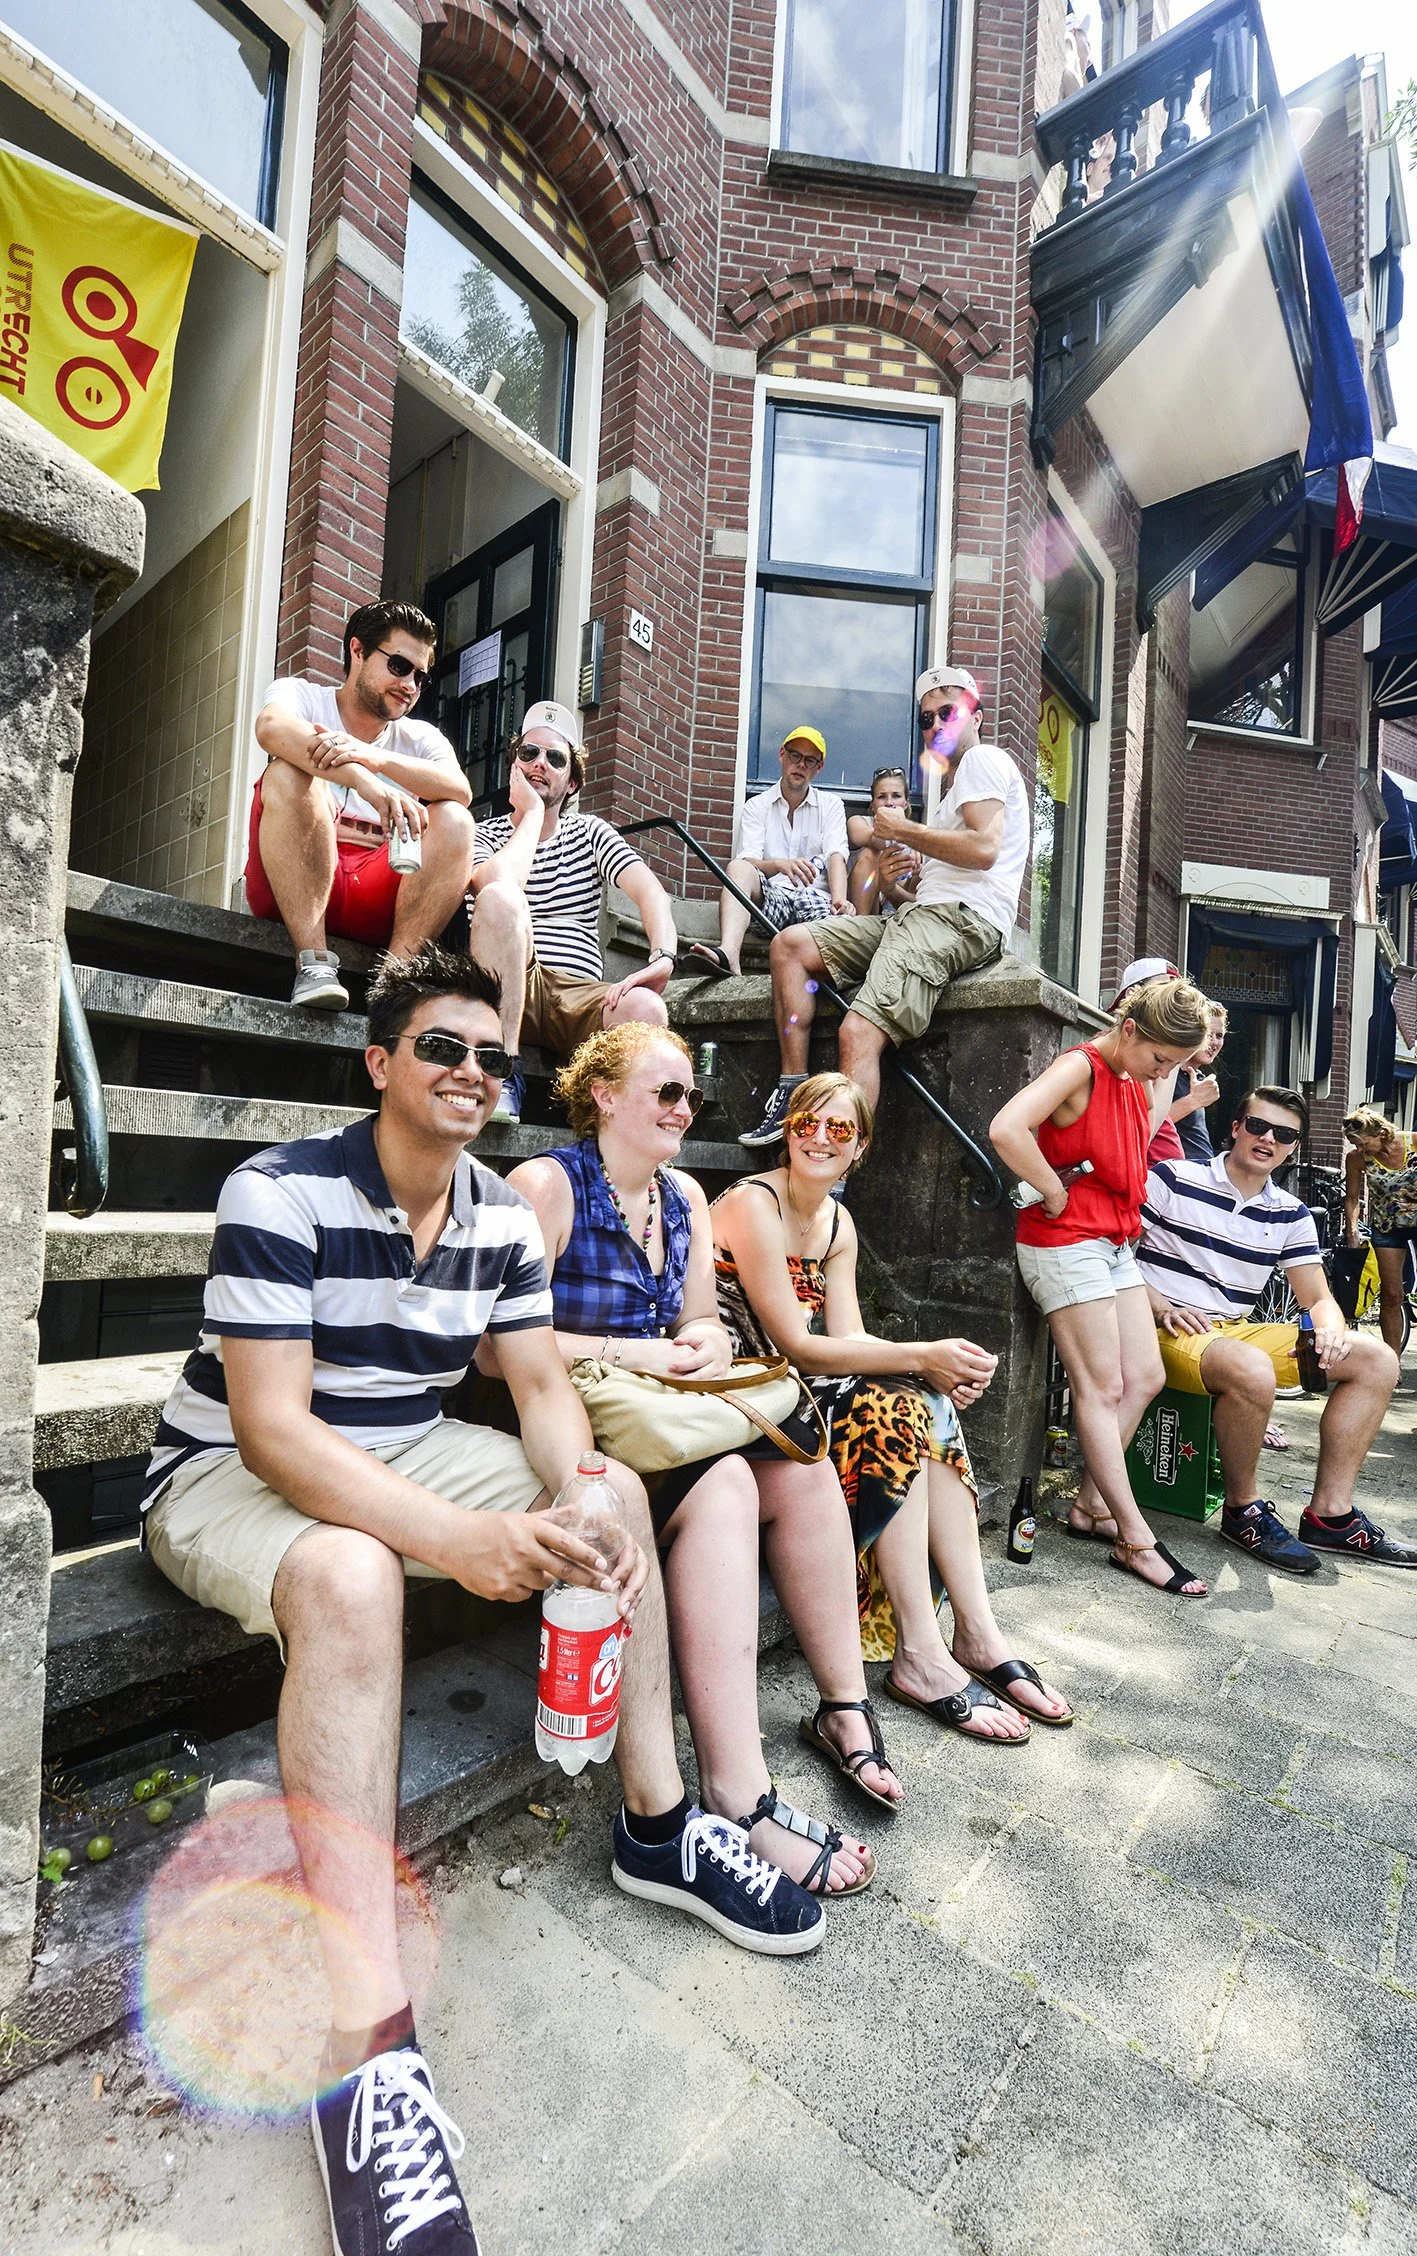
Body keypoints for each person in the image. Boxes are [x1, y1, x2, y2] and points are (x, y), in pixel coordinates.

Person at [141, 948, 827, 2256]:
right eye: (441, 1048)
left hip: (404, 1444)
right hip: (225, 1470)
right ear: (380, 1062)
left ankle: (659, 1826)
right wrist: (459, 1540)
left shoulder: (500, 1216)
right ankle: (368, 2050)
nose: (470, 1072)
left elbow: (545, 1389)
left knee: (613, 1498)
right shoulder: (278, 1190)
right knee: (352, 1572)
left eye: (489, 1057)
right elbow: (274, 1432)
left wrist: (574, 1487)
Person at [502, 1023, 902, 1889]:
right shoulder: (545, 1187)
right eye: (666, 1092)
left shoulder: (682, 1194)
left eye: (692, 1095)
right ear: (603, 1095)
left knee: (801, 1472)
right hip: (571, 1424)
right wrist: (634, 1352)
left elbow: (699, 1317)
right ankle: (737, 1790)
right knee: (725, 1482)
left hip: (666, 1418)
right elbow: (495, 1352)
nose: (686, 1109)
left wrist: (706, 1342)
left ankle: (843, 1705)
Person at [714, 1071, 1073, 1736]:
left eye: (839, 1128)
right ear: (786, 1133)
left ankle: (976, 1630)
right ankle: (920, 1653)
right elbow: (799, 1344)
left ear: (860, 1147)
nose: (820, 1138)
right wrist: (921, 1355)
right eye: (806, 1123)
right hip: (738, 1397)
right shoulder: (752, 1203)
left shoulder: (837, 1223)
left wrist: (940, 1367)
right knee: (900, 1403)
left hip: (791, 1390)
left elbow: (848, 1338)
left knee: (925, 1399)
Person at [740, 666, 1029, 1144]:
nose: (936, 725)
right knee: (790, 946)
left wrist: (904, 830)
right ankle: (791, 1089)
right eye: (926, 718)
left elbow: (985, 850)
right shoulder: (955, 791)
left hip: (961, 920)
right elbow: (939, 885)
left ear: (976, 716)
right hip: (925, 915)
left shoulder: (983, 760)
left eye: (948, 713)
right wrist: (896, 889)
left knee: (857, 1032)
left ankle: (836, 1173)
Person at [990, 976, 1212, 1599]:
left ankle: (1092, 1505)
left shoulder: (1134, 1077)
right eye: (1161, 1058)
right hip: (1065, 1242)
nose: (1163, 1072)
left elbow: (1137, 1143)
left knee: (1145, 1376)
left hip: (1114, 1240)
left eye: (1174, 1065)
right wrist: (1052, 1189)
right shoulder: (1080, 1067)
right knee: (1102, 1386)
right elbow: (1006, 1128)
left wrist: (1164, 1077)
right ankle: (1135, 1538)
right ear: (1129, 1030)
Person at [1139, 1089, 1410, 1572]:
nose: (1268, 1139)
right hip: (1164, 1326)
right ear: (1236, 1127)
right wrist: (1157, 1303)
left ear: (1293, 1147)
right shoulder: (1174, 1177)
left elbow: (1318, 1298)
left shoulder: (1290, 1212)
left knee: (1377, 1360)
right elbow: (1112, 1249)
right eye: (1258, 1126)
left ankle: (1331, 1516)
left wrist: (1330, 1329)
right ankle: (1243, 1511)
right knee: (1252, 1368)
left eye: (1284, 1134)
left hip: (1232, 1332)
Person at [248, 601, 476, 1010]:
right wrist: (364, 782)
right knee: (286, 772)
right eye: (399, 666)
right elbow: (271, 728)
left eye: (421, 676)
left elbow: (460, 789)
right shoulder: (301, 695)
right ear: (358, 650)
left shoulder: (420, 737)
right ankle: (313, 964)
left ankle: (394, 984)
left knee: (456, 820)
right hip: (293, 880)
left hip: (373, 889)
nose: (410, 685)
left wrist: (375, 758)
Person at [468, 701, 680, 1115]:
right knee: (501, 898)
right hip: (509, 985)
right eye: (529, 753)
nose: (539, 763)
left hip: (578, 998)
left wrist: (664, 957)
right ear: (513, 767)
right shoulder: (484, 834)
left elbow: (651, 892)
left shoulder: (590, 831)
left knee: (648, 1008)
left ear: (572, 784)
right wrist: (531, 813)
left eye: (555, 758)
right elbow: (492, 885)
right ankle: (502, 1071)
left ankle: (617, 1129)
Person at [686, 726, 850, 978]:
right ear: (782, 755)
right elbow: (748, 860)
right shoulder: (757, 806)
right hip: (775, 900)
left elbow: (836, 855)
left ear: (819, 767)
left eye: (809, 760)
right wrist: (779, 865)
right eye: (795, 755)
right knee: (738, 867)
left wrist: (839, 900)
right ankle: (728, 954)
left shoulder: (831, 805)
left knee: (843, 926)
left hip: (817, 902)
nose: (800, 765)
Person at [1343, 1106, 1417, 1357]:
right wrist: (1352, 1233)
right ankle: (1392, 1363)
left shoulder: (1413, 1143)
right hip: (1387, 1227)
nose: (1360, 1149)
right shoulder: (1356, 1158)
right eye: (1356, 1144)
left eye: (1364, 1143)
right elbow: (1352, 1199)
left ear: (1382, 1133)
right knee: (1392, 1294)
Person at [1109, 958, 1186, 1165]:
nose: (1172, 1003)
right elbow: (1145, 1132)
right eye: (1163, 991)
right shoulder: (1124, 1056)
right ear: (1133, 994)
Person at [846, 767, 923, 917]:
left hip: (897, 908)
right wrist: (907, 839)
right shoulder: (858, 822)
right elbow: (873, 839)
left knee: (919, 867)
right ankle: (859, 925)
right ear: (872, 804)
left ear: (906, 803)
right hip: (864, 907)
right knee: (872, 853)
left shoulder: (917, 838)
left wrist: (915, 843)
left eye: (896, 796)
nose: (889, 802)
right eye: (882, 797)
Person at [1170, 1004, 1228, 1165]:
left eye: (1219, 1035)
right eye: (1208, 1034)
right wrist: (1193, 1100)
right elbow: (1146, 1124)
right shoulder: (1166, 1072)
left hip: (1203, 1170)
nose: (1214, 1042)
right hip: (1175, 1172)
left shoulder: (1198, 1077)